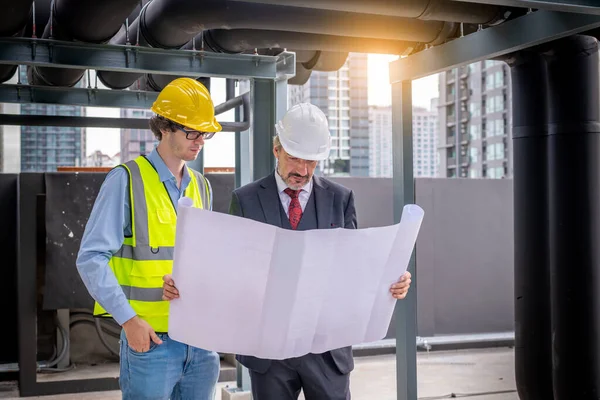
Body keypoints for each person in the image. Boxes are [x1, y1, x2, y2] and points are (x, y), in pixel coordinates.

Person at [162, 102, 412, 399]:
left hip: (326, 349)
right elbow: (229, 268)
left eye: (312, 162)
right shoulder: (246, 200)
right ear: (276, 149)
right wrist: (187, 286)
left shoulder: (340, 199)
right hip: (268, 352)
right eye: (295, 159)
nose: (303, 171)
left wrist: (390, 281)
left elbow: (353, 267)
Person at [76, 77, 222, 400]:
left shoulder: (202, 187)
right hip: (151, 344)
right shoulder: (126, 180)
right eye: (192, 131)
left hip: (200, 345)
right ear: (165, 127)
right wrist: (129, 321)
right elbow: (90, 259)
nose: (200, 140)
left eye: (205, 132)